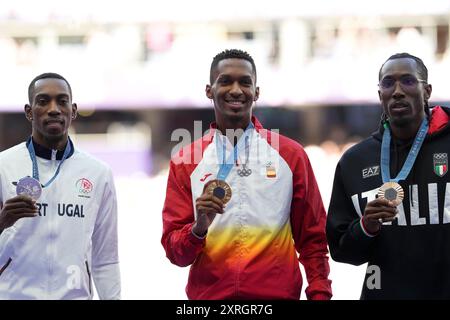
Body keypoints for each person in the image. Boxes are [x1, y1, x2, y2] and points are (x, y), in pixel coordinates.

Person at [161, 49, 332, 300]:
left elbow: (313, 239)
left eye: (245, 82)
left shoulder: (291, 156)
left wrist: (320, 295)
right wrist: (198, 229)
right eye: (225, 81)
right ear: (209, 90)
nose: (236, 89)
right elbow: (176, 254)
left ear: (257, 92)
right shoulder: (186, 161)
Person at [326, 52, 450, 299]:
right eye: (388, 83)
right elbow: (341, 251)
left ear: (427, 91)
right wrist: (366, 227)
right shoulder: (354, 161)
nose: (397, 91)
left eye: (408, 81)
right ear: (379, 95)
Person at [0, 73, 121, 299]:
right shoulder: (3, 166)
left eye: (62, 101)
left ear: (73, 111)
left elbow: (106, 258)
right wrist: (1, 222)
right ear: (29, 111)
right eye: (43, 101)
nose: (54, 109)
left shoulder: (98, 173)